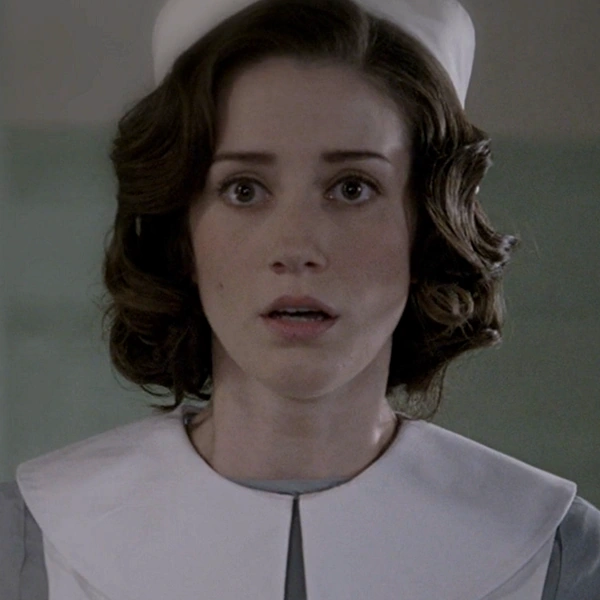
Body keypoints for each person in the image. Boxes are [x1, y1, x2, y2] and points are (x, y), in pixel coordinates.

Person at [1, 0, 599, 597]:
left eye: (352, 188)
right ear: (182, 234)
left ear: (428, 226)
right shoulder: (30, 544)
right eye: (243, 189)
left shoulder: (559, 556)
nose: (296, 248)